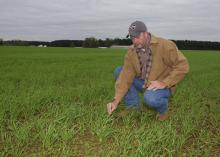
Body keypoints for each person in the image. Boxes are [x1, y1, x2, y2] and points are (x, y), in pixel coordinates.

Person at [107, 21, 189, 121]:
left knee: (150, 98)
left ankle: (163, 111)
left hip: (160, 85)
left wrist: (164, 82)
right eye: (132, 38)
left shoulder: (164, 45)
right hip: (143, 82)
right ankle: (133, 108)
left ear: (145, 33)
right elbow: (125, 76)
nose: (135, 41)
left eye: (137, 37)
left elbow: (183, 65)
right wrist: (116, 101)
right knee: (119, 71)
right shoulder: (131, 51)